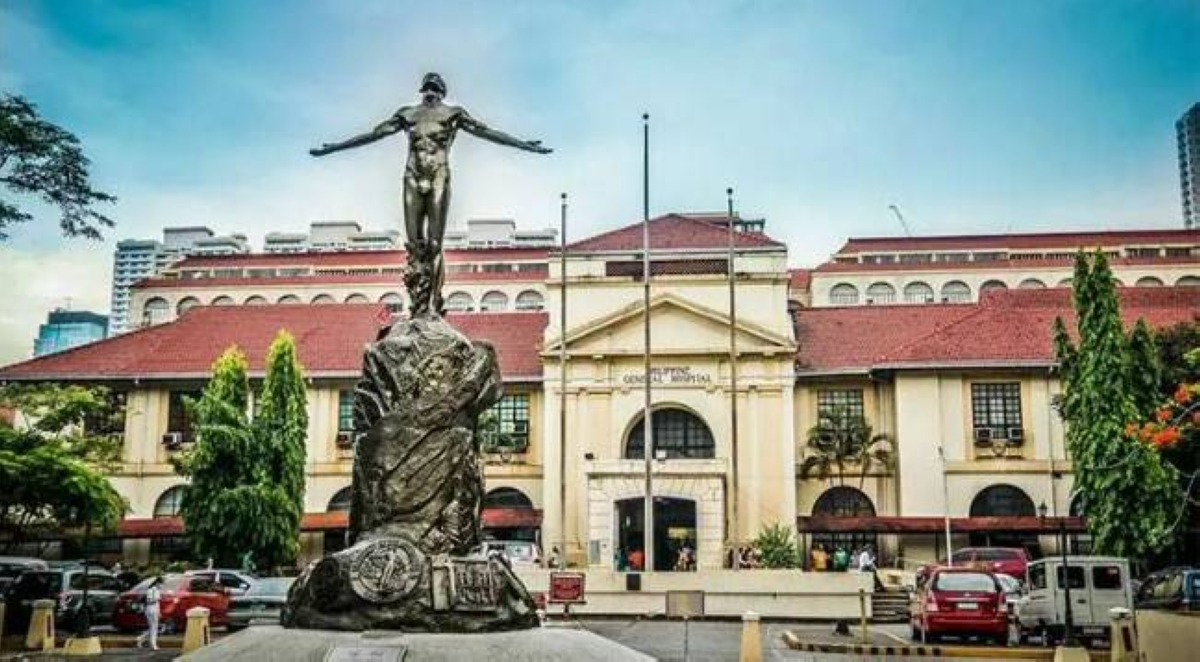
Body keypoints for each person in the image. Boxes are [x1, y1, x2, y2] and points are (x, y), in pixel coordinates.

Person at [136, 576, 163, 650]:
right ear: (157, 583)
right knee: (154, 628)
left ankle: (141, 638)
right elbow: (149, 601)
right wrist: (156, 599)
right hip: (151, 610)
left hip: (155, 610)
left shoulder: (157, 590)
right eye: (161, 583)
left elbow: (158, 604)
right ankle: (153, 644)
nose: (161, 585)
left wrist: (159, 612)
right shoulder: (151, 590)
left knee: (153, 627)